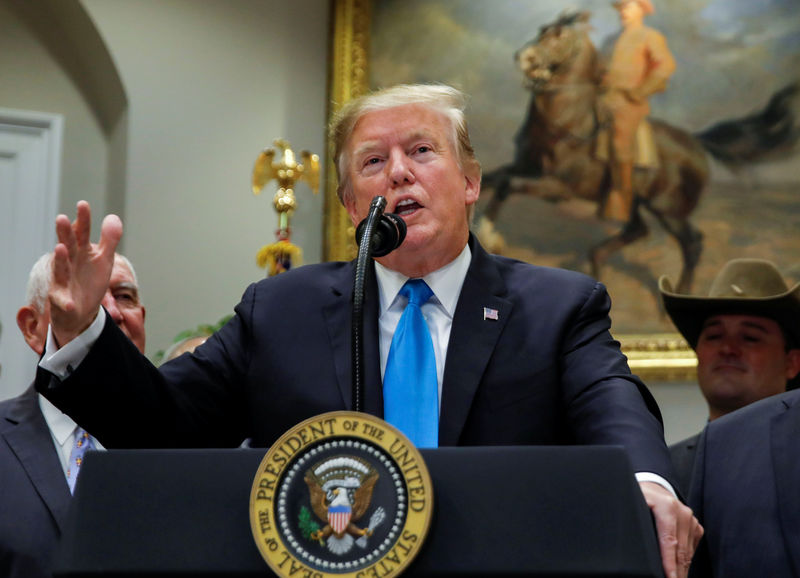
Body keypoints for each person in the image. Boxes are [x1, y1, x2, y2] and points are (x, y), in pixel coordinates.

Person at [36, 84, 700, 578]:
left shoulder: (556, 307)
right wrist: (84, 334)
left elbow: (613, 407)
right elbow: (165, 425)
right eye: (372, 162)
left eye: (421, 151)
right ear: (354, 205)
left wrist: (646, 486)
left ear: (469, 181)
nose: (399, 173)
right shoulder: (282, 310)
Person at [0, 252, 145, 578]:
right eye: (84, 295)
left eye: (124, 297)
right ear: (33, 327)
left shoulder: (183, 444)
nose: (112, 312)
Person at [660, 258, 800, 497]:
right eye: (714, 336)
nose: (727, 349)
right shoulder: (662, 476)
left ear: (791, 363)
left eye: (750, 337)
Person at [600, 0, 676, 221]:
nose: (623, 11)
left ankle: (622, 201)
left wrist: (641, 91)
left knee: (619, 143)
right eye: (621, 7)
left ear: (642, 10)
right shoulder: (611, 40)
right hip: (603, 98)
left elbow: (666, 66)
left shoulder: (649, 36)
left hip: (629, 102)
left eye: (628, 6)